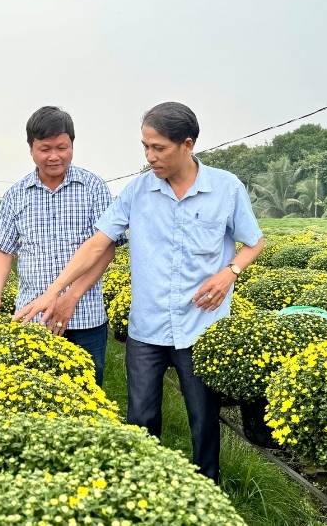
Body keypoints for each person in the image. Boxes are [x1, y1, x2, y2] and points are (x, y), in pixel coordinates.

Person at [15, 102, 265, 482]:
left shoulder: (226, 188)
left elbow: (254, 242)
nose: (150, 157)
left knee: (203, 418)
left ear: (187, 144)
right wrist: (55, 292)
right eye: (145, 146)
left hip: (201, 325)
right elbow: (98, 243)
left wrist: (230, 272)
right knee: (141, 418)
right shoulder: (137, 191)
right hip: (146, 328)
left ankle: (207, 490)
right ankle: (143, 486)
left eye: (158, 148)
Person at [0, 106, 117, 384]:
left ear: (72, 144)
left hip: (85, 316)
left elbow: (105, 250)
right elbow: (2, 248)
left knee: (88, 394)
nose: (54, 156)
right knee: (35, 395)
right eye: (45, 149)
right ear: (31, 148)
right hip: (33, 319)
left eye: (62, 147)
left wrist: (70, 297)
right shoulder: (16, 195)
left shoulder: (93, 188)